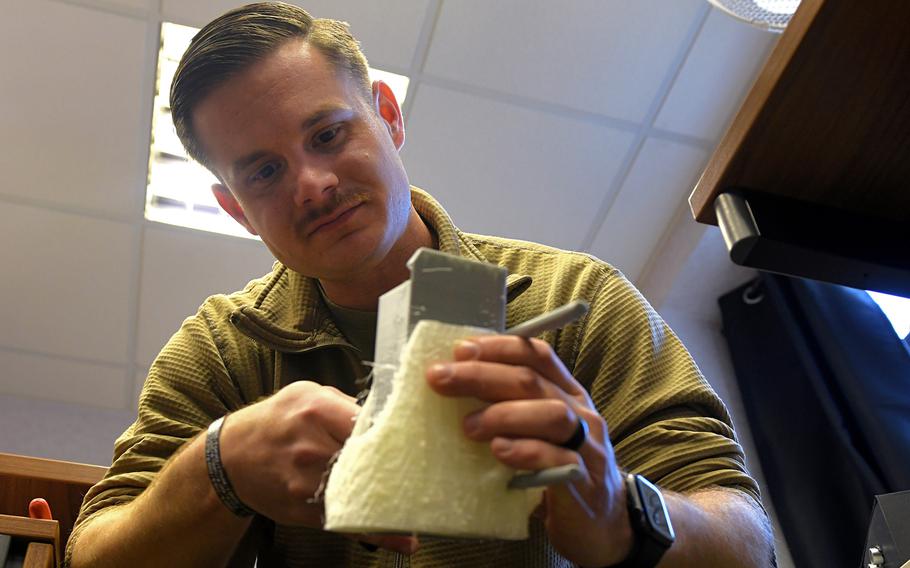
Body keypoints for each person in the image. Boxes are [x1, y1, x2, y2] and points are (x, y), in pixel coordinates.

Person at [67, 3, 774, 567]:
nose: (312, 185)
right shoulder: (220, 353)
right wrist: (218, 470)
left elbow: (748, 541)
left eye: (327, 134)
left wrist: (623, 513)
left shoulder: (576, 297)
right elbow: (93, 553)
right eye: (264, 172)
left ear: (388, 115)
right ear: (236, 210)